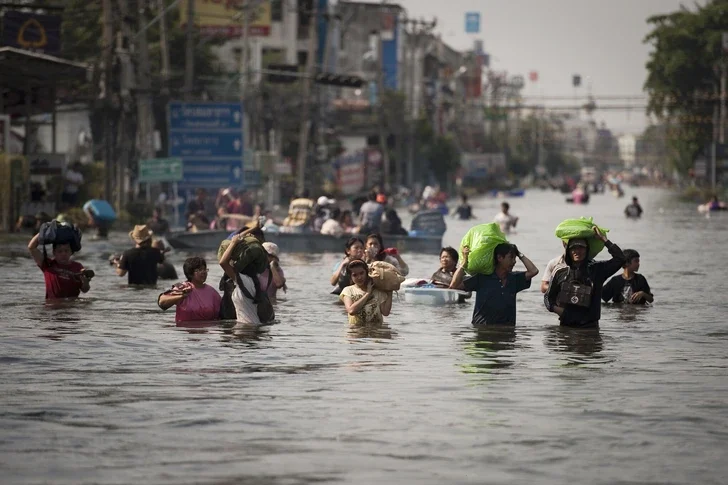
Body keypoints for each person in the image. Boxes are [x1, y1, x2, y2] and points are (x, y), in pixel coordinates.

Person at [545, 227, 626, 328]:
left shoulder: (597, 270)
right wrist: (561, 312)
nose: (577, 251)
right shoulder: (560, 271)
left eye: (581, 247)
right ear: (568, 250)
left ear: (587, 249)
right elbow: (548, 298)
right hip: (566, 328)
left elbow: (621, 258)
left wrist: (603, 239)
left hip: (590, 329)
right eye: (573, 248)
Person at [450, 244, 539, 326]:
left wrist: (519, 254)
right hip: (483, 331)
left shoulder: (514, 279)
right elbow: (454, 285)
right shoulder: (482, 278)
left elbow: (534, 271)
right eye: (511, 258)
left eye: (515, 258)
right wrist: (464, 263)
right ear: (500, 258)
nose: (514, 262)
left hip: (507, 333)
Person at [218, 225, 264, 325]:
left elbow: (223, 262)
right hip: (254, 326)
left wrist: (233, 243)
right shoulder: (255, 279)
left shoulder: (242, 280)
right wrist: (253, 229)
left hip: (245, 329)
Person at [157, 257, 222, 324]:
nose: (203, 272)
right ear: (190, 273)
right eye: (199, 270)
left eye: (204, 269)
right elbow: (161, 302)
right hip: (185, 332)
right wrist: (181, 296)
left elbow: (222, 315)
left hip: (206, 332)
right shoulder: (183, 288)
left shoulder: (211, 292)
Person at [28, 232, 91, 300]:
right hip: (52, 306)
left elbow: (85, 290)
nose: (63, 254)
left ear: (71, 252)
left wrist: (85, 282)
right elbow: (31, 247)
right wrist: (44, 231)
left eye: (66, 251)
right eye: (60, 251)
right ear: (54, 252)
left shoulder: (78, 267)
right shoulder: (47, 264)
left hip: (72, 307)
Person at [339, 259, 393, 325]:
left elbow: (385, 312)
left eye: (362, 273)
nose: (359, 277)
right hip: (356, 331)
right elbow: (351, 311)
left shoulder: (377, 290)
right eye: (355, 275)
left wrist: (390, 293)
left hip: (376, 332)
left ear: (367, 272)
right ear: (350, 277)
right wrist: (367, 293)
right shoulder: (348, 290)